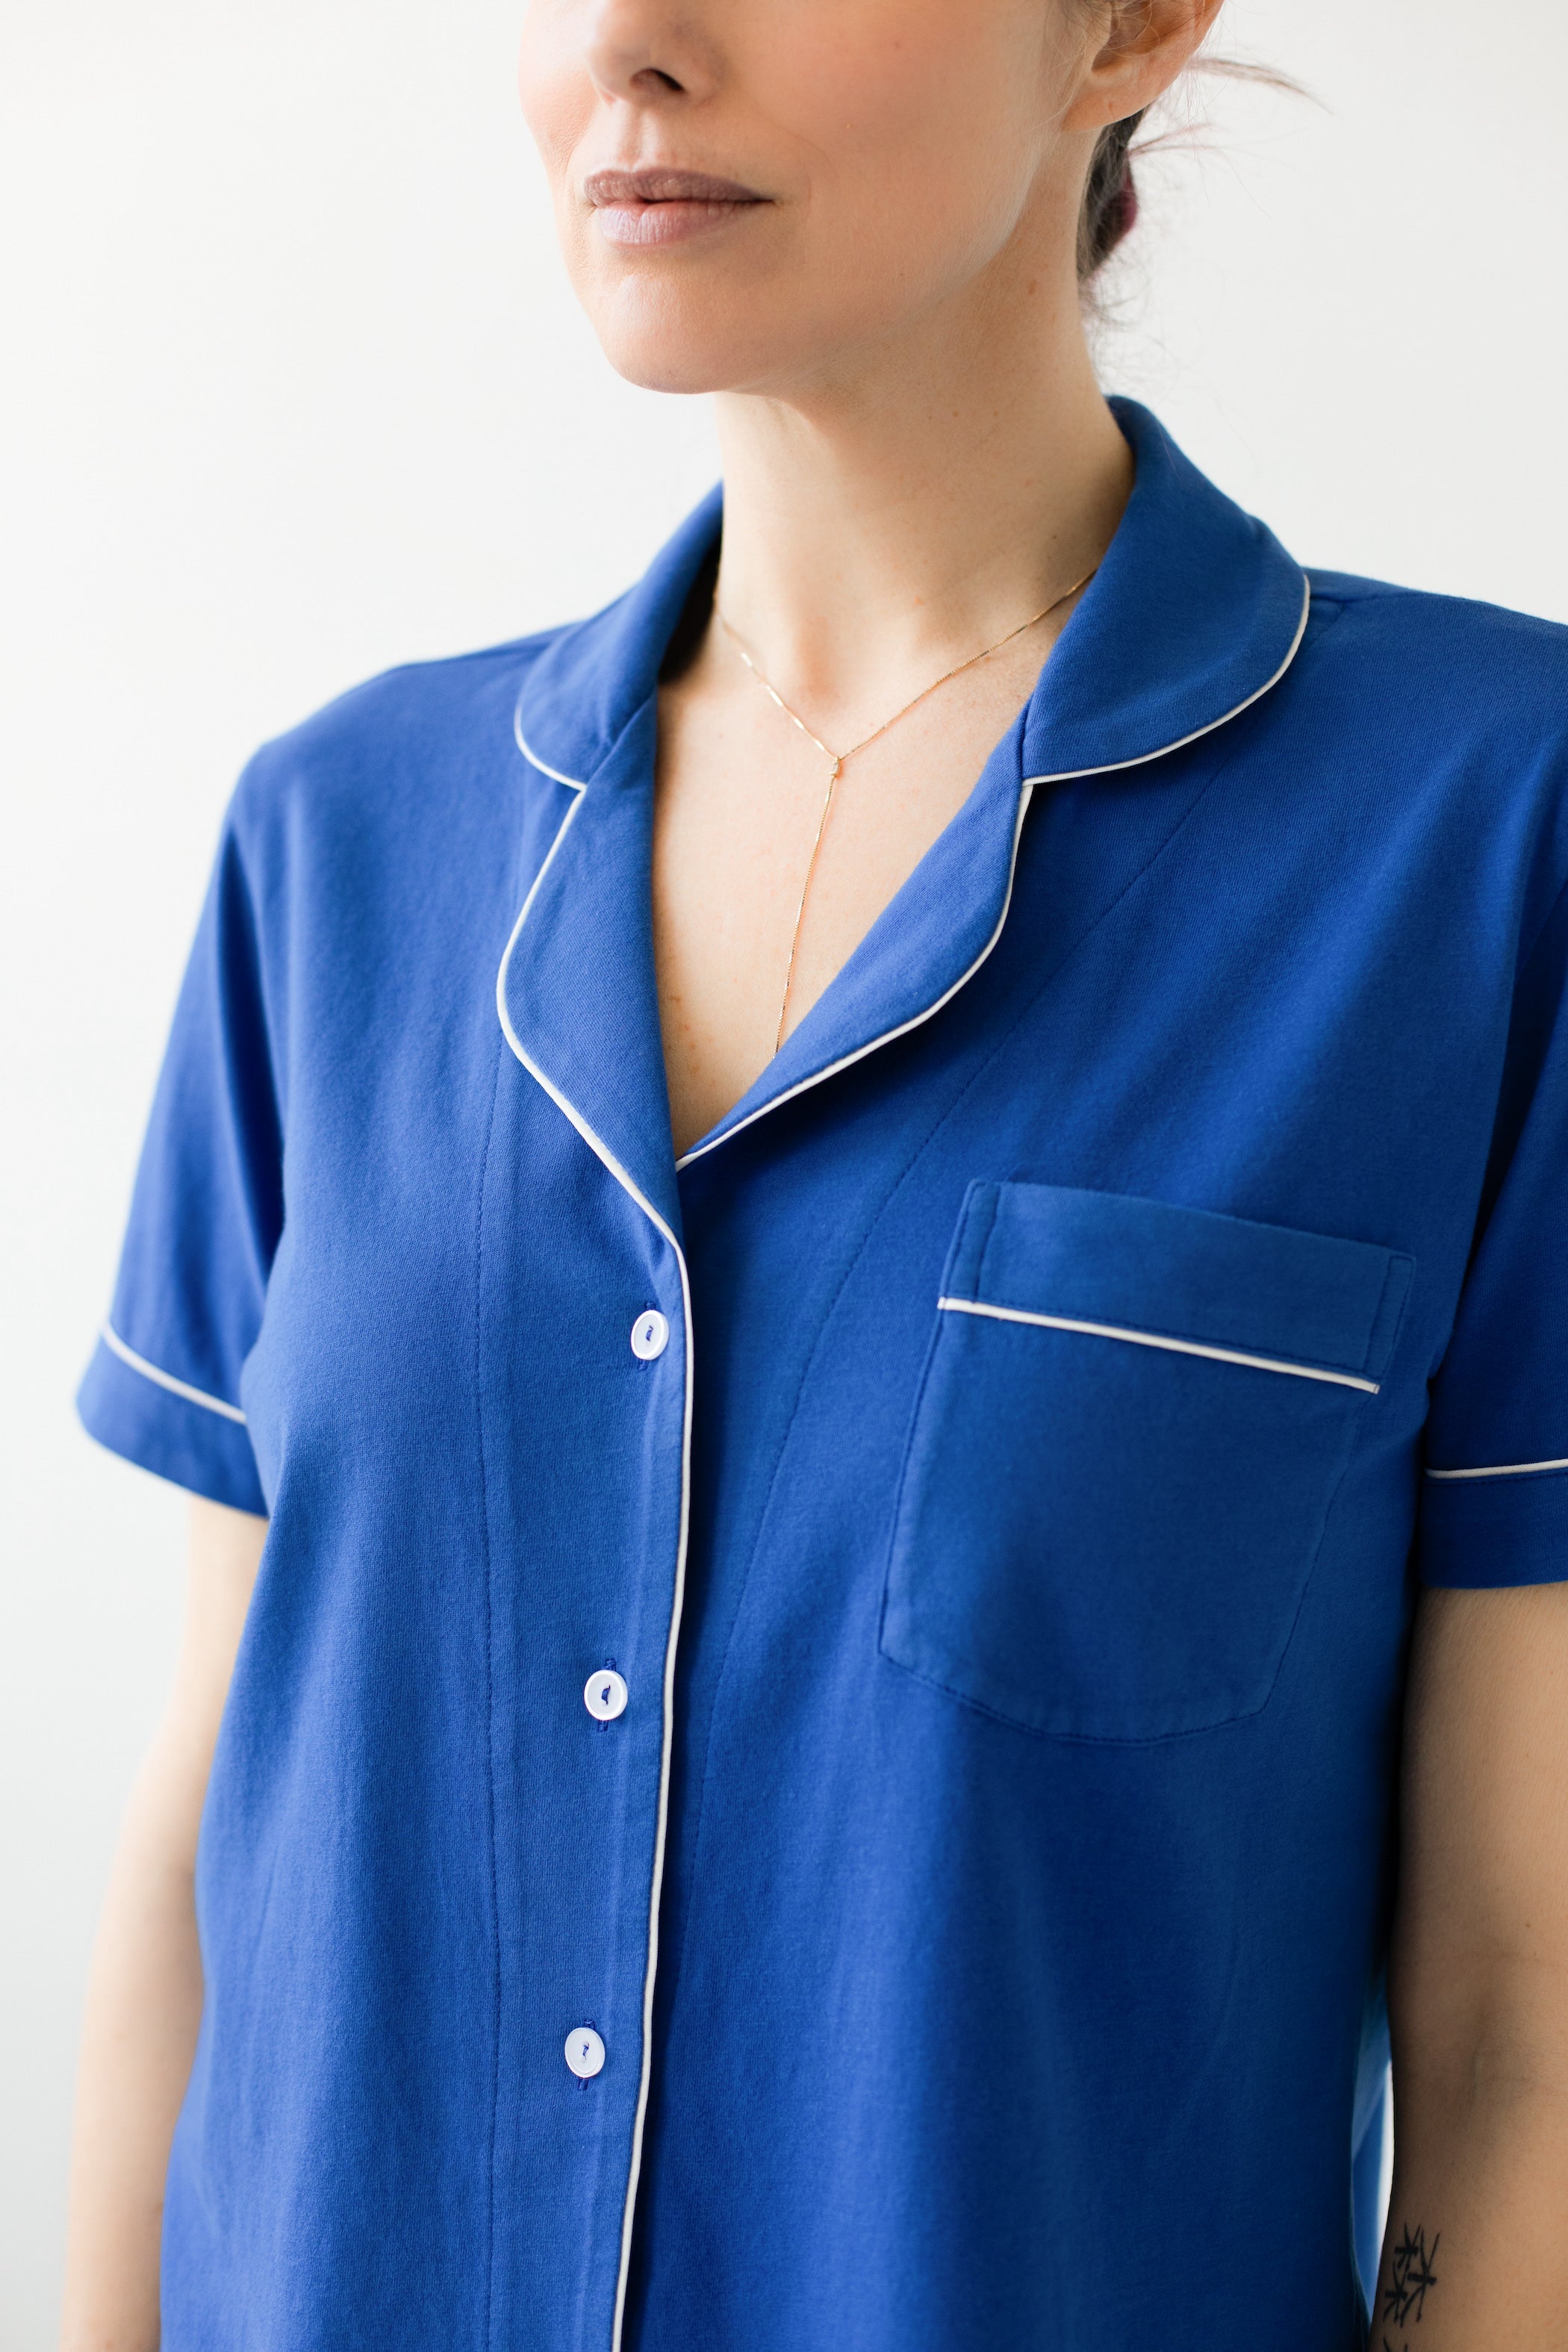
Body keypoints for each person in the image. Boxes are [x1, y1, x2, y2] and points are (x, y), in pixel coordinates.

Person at [60, 0, 1568, 2345]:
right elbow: (190, 1866)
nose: (628, 45)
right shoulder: (339, 845)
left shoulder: (1484, 840)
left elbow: (1517, 2003)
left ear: (1134, 23)